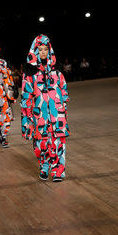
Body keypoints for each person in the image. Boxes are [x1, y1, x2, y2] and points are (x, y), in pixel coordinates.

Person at [21, 34, 70, 182]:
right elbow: (26, 97)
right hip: (39, 115)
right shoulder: (29, 74)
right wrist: (28, 117)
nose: (43, 52)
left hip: (57, 115)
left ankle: (58, 171)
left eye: (45, 49)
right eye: (40, 49)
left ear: (50, 51)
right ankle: (44, 165)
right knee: (41, 143)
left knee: (58, 142)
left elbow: (64, 91)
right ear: (34, 52)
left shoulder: (57, 72)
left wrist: (62, 109)